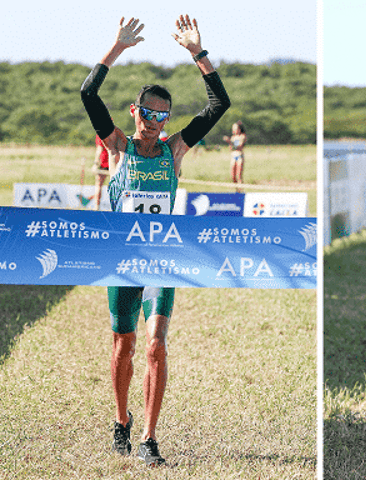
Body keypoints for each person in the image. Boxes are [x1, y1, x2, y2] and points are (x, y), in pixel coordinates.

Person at [80, 15, 230, 466]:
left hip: (161, 263)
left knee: (156, 344)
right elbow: (88, 94)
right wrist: (115, 49)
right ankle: (121, 421)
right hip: (122, 263)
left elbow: (219, 103)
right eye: (147, 113)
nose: (153, 122)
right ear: (134, 111)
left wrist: (197, 53)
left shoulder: (176, 150)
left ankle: (148, 437)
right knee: (123, 346)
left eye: (161, 116)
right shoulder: (118, 147)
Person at [222, 121, 247, 192]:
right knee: (233, 176)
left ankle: (241, 191)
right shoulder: (233, 137)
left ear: (239, 129)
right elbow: (231, 148)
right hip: (233, 156)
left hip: (239, 156)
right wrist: (230, 143)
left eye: (235, 128)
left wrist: (229, 142)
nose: (233, 130)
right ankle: (236, 191)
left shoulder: (242, 136)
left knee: (239, 175)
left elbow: (239, 146)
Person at [93, 134, 110, 210]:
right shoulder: (115, 131)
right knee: (115, 186)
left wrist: (95, 163)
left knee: (98, 185)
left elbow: (99, 149)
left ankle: (97, 207)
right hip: (113, 162)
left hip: (103, 163)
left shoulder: (101, 133)